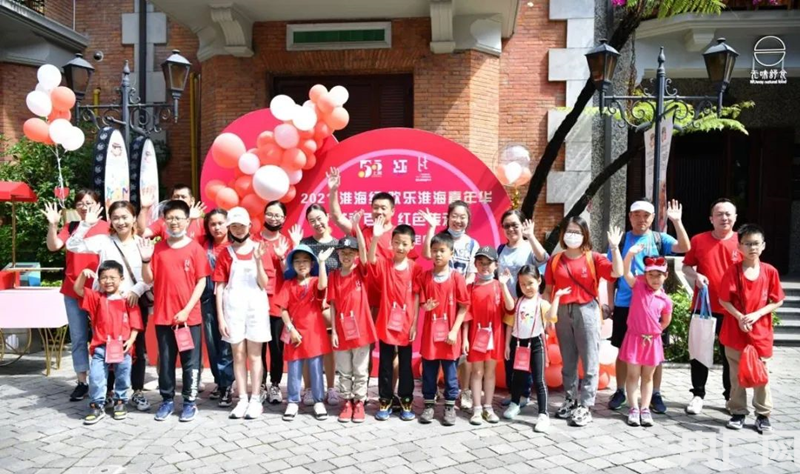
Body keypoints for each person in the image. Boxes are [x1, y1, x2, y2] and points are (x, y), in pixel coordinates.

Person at [65, 200, 151, 412]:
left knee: (136, 348)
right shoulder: (103, 241)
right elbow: (72, 246)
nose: (121, 222)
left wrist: (135, 291)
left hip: (132, 302)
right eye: (116, 218)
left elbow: (148, 277)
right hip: (105, 304)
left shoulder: (141, 243)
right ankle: (110, 393)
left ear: (133, 218)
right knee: (106, 345)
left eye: (125, 217)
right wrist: (85, 224)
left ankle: (137, 391)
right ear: (110, 220)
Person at [607, 199, 690, 414]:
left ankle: (655, 393)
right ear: (630, 217)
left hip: (653, 305)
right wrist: (611, 303)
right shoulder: (622, 240)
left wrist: (677, 222)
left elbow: (684, 247)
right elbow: (612, 274)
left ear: (652, 218)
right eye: (637, 215)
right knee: (623, 351)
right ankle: (620, 391)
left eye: (646, 215)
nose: (641, 219)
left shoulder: (659, 238)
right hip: (625, 303)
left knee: (656, 351)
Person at [545, 219, 623, 427]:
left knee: (590, 360)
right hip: (562, 311)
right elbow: (548, 290)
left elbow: (617, 272)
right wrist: (548, 315)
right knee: (568, 359)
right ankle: (570, 399)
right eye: (569, 231)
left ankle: (586, 405)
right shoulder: (555, 260)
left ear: (585, 234)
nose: (572, 235)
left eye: (577, 231)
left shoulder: (593, 258)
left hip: (586, 310)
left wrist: (615, 248)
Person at [140, 200, 210, 423]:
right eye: (169, 218)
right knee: (166, 361)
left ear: (187, 221)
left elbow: (201, 282)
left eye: (178, 218)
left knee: (190, 361)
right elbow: (148, 279)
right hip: (164, 316)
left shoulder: (195, 249)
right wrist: (145, 260)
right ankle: (167, 400)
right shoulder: (158, 248)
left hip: (189, 317)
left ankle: (189, 402)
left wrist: (186, 310)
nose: (174, 222)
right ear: (164, 221)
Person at [43, 190, 109, 402]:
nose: (84, 206)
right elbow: (54, 246)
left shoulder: (107, 227)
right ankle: (82, 382)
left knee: (102, 336)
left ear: (98, 205)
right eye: (80, 203)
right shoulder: (71, 227)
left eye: (89, 202)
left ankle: (104, 379)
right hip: (73, 289)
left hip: (100, 291)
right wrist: (53, 225)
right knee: (79, 337)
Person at [718, 224, 784, 435]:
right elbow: (723, 299)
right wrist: (739, 317)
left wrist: (757, 314)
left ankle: (763, 415)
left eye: (756, 243)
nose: (752, 248)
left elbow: (777, 300)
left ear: (763, 246)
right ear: (739, 247)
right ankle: (738, 412)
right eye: (747, 244)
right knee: (736, 376)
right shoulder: (733, 270)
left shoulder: (770, 271)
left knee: (760, 375)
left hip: (760, 333)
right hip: (735, 332)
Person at [681, 198, 740, 415]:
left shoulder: (742, 242)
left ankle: (730, 397)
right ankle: (698, 395)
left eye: (728, 214)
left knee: (729, 356)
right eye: (719, 214)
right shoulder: (699, 240)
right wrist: (696, 276)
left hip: (731, 310)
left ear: (735, 217)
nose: (724, 218)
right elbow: (686, 266)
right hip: (704, 307)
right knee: (699, 353)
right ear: (711, 219)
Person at [213, 207, 272, 420]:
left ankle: (255, 399)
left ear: (249, 225)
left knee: (255, 355)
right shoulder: (225, 253)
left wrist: (258, 260)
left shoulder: (260, 249)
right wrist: (221, 317)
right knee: (237, 354)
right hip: (233, 308)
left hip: (256, 307)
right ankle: (242, 399)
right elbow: (219, 286)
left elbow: (264, 283)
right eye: (234, 226)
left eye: (241, 225)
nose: (238, 229)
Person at [420, 201, 480, 411]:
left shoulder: (472, 243)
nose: (458, 220)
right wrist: (431, 227)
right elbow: (426, 253)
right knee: (436, 347)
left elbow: (472, 273)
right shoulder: (440, 238)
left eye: (463, 216)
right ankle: (434, 392)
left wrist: (458, 285)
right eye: (454, 216)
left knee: (461, 349)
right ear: (448, 217)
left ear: (468, 219)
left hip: (461, 298)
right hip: (440, 300)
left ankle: (464, 391)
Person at [74, 262, 142, 425]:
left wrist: (131, 340)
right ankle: (97, 405)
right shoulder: (97, 298)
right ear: (99, 280)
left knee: (123, 376)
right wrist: (83, 274)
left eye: (112, 277)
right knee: (96, 377)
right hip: (100, 347)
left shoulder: (128, 300)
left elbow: (136, 324)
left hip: (122, 347)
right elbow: (78, 290)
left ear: (121, 279)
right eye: (104, 278)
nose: (108, 281)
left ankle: (120, 401)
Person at [368, 219, 423, 421]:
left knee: (406, 365)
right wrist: (375, 237)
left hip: (406, 325)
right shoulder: (385, 265)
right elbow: (370, 260)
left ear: (412, 245)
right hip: (386, 323)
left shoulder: (415, 268)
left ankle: (406, 401)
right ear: (391, 243)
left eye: (404, 243)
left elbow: (416, 296)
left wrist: (414, 324)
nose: (400, 247)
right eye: (397, 242)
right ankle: (385, 400)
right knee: (385, 364)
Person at [275, 244, 335, 421]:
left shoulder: (315, 281)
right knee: (294, 367)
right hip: (294, 332)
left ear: (311, 264)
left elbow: (323, 285)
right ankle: (293, 401)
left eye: (305, 261)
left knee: (316, 367)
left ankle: (318, 401)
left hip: (314, 332)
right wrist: (291, 329)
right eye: (297, 261)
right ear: (292, 264)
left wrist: (322, 263)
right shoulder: (288, 284)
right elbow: (283, 309)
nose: (301, 264)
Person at [415, 231, 469, 426]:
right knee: (429, 372)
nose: (438, 254)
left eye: (442, 250)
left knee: (451, 374)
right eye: (435, 250)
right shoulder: (425, 277)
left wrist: (454, 330)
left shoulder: (457, 278)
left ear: (451, 253)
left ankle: (449, 406)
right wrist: (425, 307)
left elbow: (464, 306)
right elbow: (421, 303)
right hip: (431, 335)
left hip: (449, 336)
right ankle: (429, 405)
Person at [496, 210, 549, 408]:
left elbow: (544, 258)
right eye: (506, 225)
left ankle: (525, 394)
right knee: (509, 353)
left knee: (524, 351)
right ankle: (514, 393)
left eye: (514, 225)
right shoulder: (501, 249)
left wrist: (531, 236)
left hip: (526, 310)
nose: (511, 229)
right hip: (507, 308)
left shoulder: (528, 247)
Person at [328, 212, 377, 423]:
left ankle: (359, 402)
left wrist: (356, 228)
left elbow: (366, 255)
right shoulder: (333, 276)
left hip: (362, 330)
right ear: (338, 255)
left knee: (360, 369)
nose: (346, 256)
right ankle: (346, 401)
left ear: (356, 255)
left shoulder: (361, 272)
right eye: (343, 253)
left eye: (350, 253)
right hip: (342, 331)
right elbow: (332, 305)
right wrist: (334, 331)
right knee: (344, 369)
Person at [504, 265, 566, 433]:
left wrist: (557, 298)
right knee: (517, 376)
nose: (527, 287)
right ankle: (515, 403)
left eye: (530, 283)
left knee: (539, 379)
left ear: (539, 281)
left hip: (536, 344)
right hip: (518, 344)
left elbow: (551, 318)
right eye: (523, 284)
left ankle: (543, 414)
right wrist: (507, 345)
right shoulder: (517, 302)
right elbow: (509, 324)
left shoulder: (542, 303)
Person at [290, 204, 340, 406]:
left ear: (327, 217)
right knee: (306, 347)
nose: (317, 223)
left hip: (330, 303)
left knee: (327, 347)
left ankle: (331, 388)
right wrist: (295, 245)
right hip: (307, 305)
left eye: (319, 218)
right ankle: (309, 388)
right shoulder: (305, 244)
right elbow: (297, 274)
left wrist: (331, 301)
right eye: (312, 221)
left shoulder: (338, 245)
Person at [618, 246, 673, 427]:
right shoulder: (639, 286)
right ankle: (633, 408)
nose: (655, 279)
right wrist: (630, 254)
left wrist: (654, 331)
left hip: (652, 341)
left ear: (666, 275)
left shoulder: (665, 300)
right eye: (651, 275)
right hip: (634, 338)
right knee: (632, 375)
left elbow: (666, 320)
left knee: (648, 377)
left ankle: (645, 408)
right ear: (645, 275)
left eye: (659, 275)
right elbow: (625, 272)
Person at [464, 247, 515, 425]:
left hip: (495, 334)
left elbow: (510, 308)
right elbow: (466, 316)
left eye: (488, 263)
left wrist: (503, 285)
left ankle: (488, 407)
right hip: (476, 335)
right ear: (475, 265)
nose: (485, 267)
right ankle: (477, 408)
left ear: (496, 265)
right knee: (477, 371)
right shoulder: (470, 288)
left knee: (490, 372)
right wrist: (465, 338)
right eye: (481, 263)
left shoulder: (499, 286)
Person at [254, 201, 292, 404]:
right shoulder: (253, 240)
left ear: (284, 219)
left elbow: (291, 275)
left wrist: (283, 256)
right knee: (258, 346)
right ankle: (260, 385)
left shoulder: (287, 242)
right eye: (270, 214)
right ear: (264, 215)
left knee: (277, 347)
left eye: (278, 215)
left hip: (278, 302)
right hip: (257, 301)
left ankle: (275, 384)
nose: (273, 218)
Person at [200, 209, 235, 407]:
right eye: (212, 224)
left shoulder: (234, 245)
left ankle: (227, 384)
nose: (216, 227)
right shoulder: (204, 244)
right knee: (212, 343)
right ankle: (219, 380)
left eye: (220, 223)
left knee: (226, 344)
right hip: (207, 299)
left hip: (230, 299)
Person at [138, 183, 206, 240]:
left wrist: (189, 218)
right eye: (176, 197)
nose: (179, 199)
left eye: (183, 197)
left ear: (192, 201)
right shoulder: (164, 221)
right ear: (171, 200)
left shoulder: (200, 223)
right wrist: (144, 208)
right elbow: (142, 233)